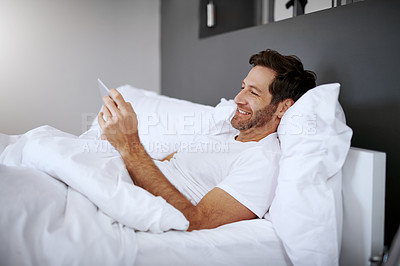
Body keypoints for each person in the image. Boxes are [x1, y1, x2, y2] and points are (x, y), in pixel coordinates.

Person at [98, 49, 316, 231]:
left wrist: (129, 145)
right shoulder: (223, 129)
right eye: (242, 88)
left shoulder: (262, 160)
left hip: (131, 199)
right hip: (118, 177)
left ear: (283, 107)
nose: (238, 99)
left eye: (253, 93)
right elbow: (166, 165)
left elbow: (198, 220)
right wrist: (118, 145)